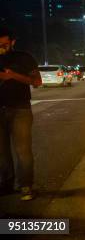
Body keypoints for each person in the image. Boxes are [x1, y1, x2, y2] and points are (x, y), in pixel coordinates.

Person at [0, 26, 42, 200]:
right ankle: (6, 184)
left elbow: (37, 82)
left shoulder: (24, 58)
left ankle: (26, 185)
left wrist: (14, 76)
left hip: (20, 110)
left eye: (5, 44)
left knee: (23, 150)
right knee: (2, 152)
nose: (2, 47)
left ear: (13, 42)